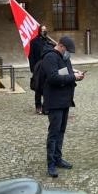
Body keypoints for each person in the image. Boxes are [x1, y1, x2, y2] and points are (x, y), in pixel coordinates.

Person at [33, 36, 83, 178]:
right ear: (61, 46)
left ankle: (58, 158)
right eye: (67, 51)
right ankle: (51, 164)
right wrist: (74, 77)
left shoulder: (63, 57)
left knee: (61, 131)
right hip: (54, 101)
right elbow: (53, 77)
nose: (68, 54)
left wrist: (74, 72)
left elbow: (63, 71)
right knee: (54, 133)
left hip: (65, 99)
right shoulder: (50, 57)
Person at [28, 25, 54, 115]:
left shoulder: (49, 42)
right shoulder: (34, 42)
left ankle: (46, 107)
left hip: (48, 67)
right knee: (38, 87)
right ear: (39, 31)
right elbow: (31, 56)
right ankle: (38, 106)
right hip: (38, 67)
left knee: (48, 87)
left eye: (45, 30)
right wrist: (33, 68)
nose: (44, 31)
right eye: (42, 30)